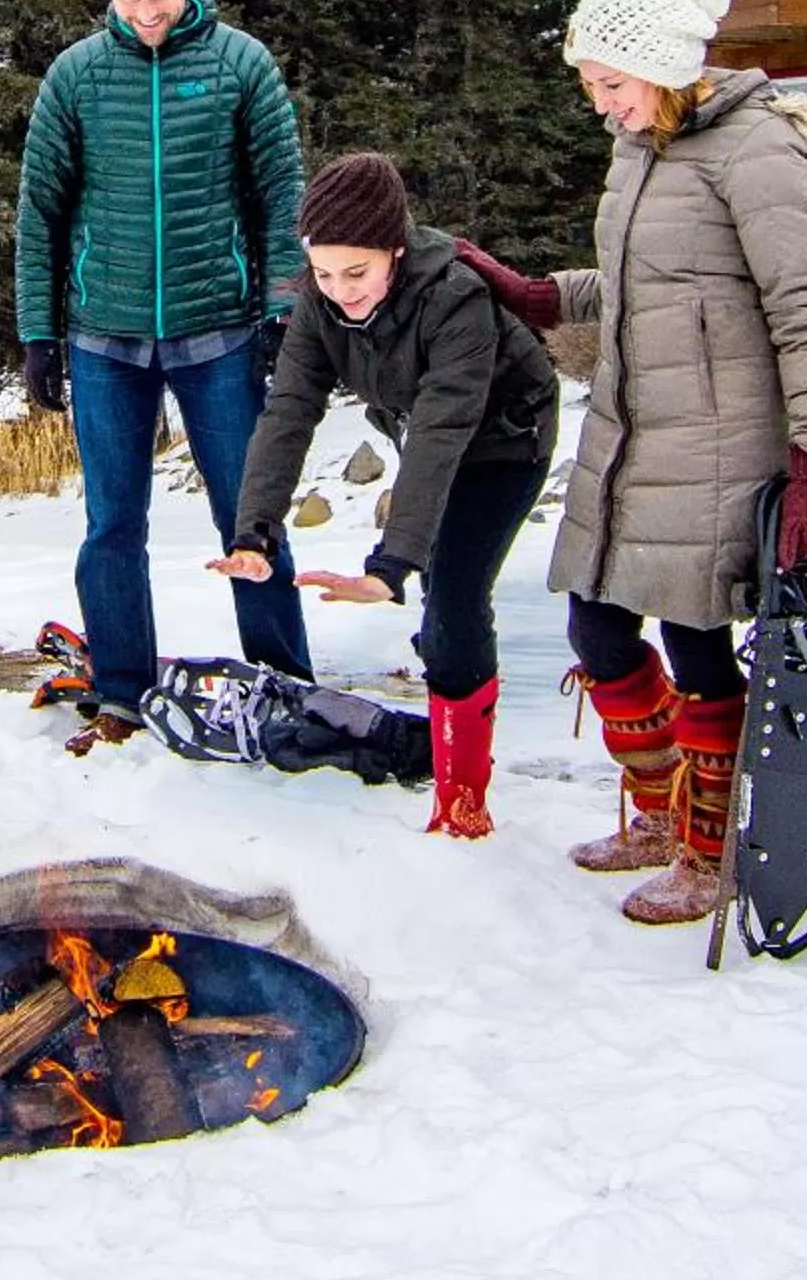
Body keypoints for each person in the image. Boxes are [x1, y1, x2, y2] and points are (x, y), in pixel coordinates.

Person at [484, 0, 807, 928]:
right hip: (634, 430)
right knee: (598, 629)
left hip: (726, 439)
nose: (599, 104)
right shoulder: (643, 145)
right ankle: (658, 811)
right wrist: (544, 295)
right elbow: (642, 283)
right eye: (591, 86)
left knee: (697, 641)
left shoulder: (757, 149)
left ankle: (710, 846)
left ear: (664, 66)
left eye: (612, 82)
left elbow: (806, 310)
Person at [16, 0, 313, 751]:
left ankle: (283, 683)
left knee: (247, 516)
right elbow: (39, 212)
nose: (147, 12)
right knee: (112, 522)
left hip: (215, 331)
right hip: (103, 337)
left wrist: (284, 306)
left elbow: (279, 195)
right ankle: (120, 691)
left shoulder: (240, 65)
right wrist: (39, 331)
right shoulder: (75, 76)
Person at [213, 151, 558, 839]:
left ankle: (462, 803)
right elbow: (289, 413)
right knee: (440, 607)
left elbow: (443, 428)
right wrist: (255, 530)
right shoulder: (319, 305)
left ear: (394, 251)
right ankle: (451, 754)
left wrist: (390, 563)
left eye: (357, 272)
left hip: (504, 441)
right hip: (426, 435)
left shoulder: (454, 295)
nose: (340, 289)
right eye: (323, 271)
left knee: (454, 600)